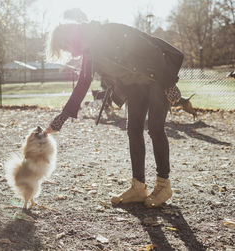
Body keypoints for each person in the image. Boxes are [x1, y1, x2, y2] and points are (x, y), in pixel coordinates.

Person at [45, 21, 184, 208]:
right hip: (135, 86)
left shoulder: (110, 32)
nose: (69, 52)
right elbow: (83, 83)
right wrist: (60, 120)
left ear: (73, 38)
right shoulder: (89, 54)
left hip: (157, 79)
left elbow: (151, 49)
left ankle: (163, 185)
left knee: (155, 129)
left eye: (66, 46)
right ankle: (138, 186)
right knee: (133, 130)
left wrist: (169, 84)